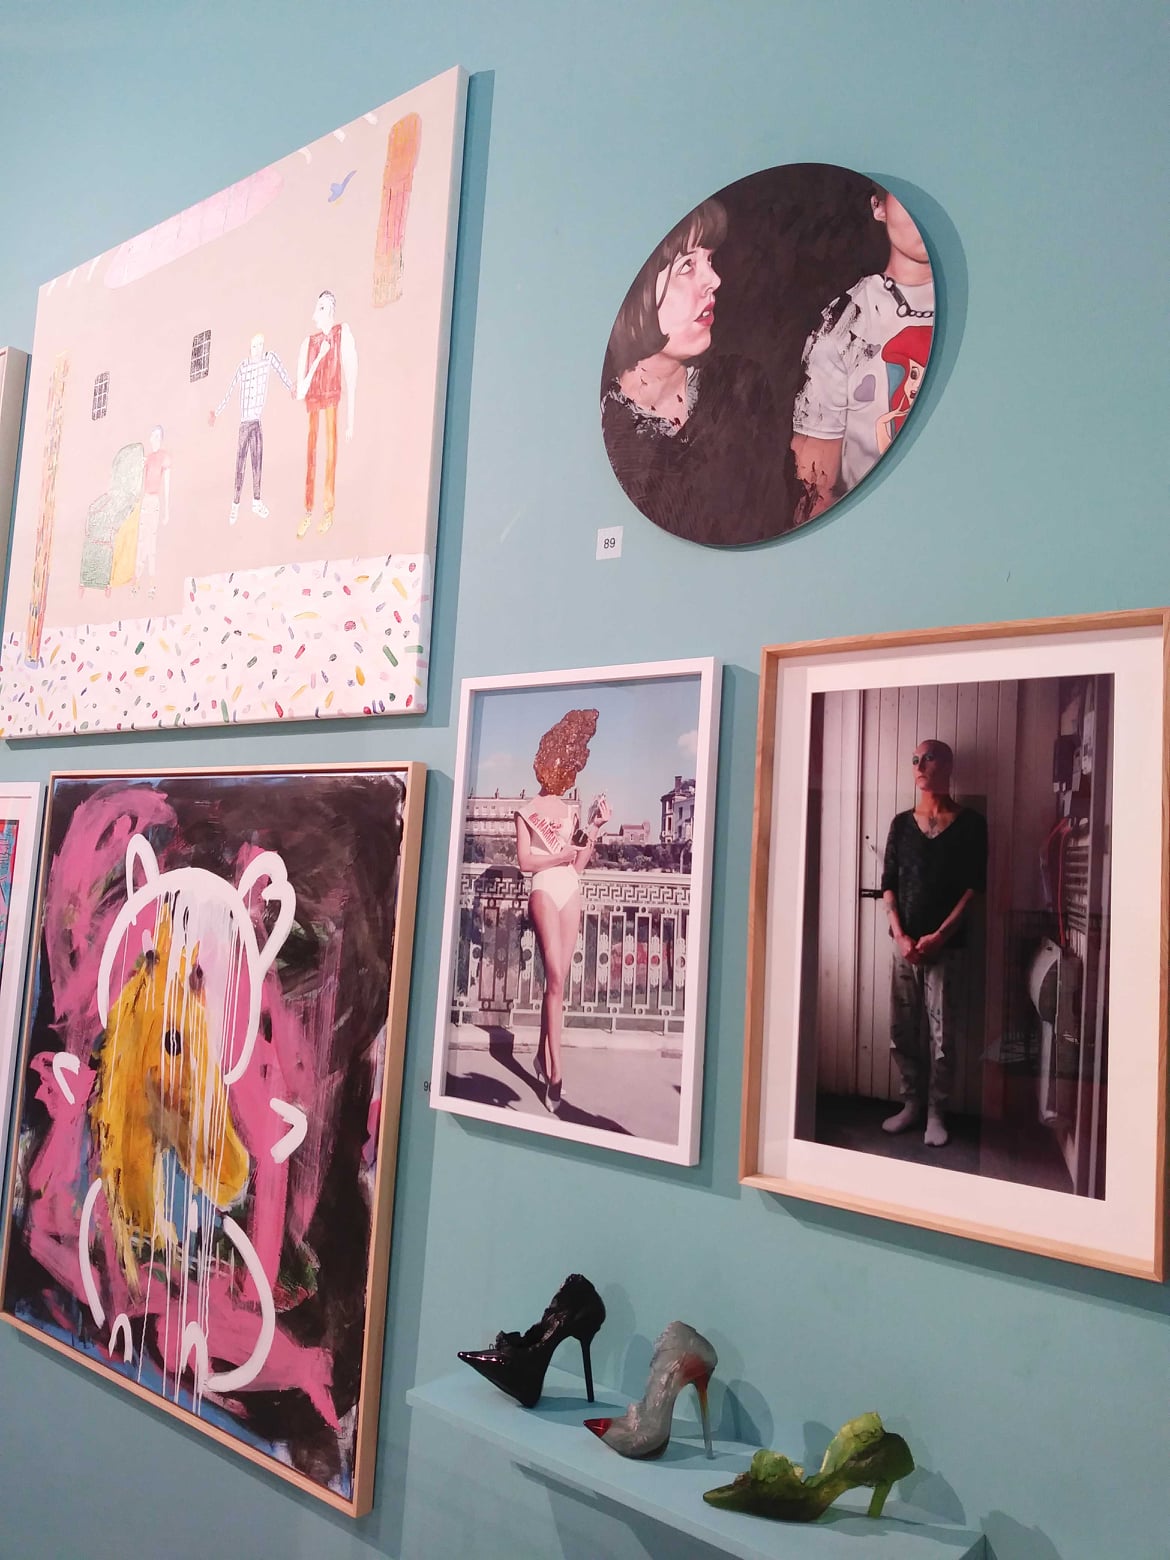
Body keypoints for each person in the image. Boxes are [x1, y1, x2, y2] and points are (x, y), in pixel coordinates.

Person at [600, 198, 784, 546]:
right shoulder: (607, 432)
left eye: (710, 259)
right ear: (636, 292)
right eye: (687, 266)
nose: (714, 279)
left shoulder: (743, 388)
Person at [791, 188, 934, 523]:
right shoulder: (844, 323)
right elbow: (814, 487)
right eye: (909, 200)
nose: (923, 216)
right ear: (878, 207)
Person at [880, 739, 987, 1147]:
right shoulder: (900, 824)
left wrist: (941, 936)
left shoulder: (971, 824)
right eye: (914, 759)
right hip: (904, 947)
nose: (919, 764)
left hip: (948, 948)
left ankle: (937, 1113)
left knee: (944, 1036)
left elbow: (975, 888)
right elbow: (888, 883)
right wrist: (901, 935)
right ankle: (911, 1104)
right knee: (901, 1029)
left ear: (947, 765)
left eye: (928, 757)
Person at [514, 710, 612, 1115]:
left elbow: (578, 865)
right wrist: (559, 855)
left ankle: (541, 1056)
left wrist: (596, 827)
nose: (561, 768)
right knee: (555, 978)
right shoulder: (526, 811)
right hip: (543, 890)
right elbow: (525, 862)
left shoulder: (571, 813)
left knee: (558, 984)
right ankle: (556, 1073)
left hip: (570, 889)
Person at [210, 332, 294, 524]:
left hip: (256, 422)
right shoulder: (243, 367)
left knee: (257, 463)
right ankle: (235, 505)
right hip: (244, 423)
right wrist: (217, 412)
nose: (258, 349)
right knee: (240, 466)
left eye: (261, 345)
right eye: (255, 346)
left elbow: (280, 369)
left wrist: (291, 386)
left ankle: (256, 502)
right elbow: (230, 390)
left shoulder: (268, 360)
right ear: (249, 348)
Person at [296, 290, 358, 539]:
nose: (316, 314)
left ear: (330, 309)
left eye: (321, 307)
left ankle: (328, 510)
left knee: (330, 451)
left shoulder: (342, 333)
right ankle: (308, 511)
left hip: (332, 398)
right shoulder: (308, 343)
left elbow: (351, 377)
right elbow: (300, 391)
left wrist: (351, 421)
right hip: (313, 401)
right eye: (317, 307)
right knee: (311, 453)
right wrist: (319, 356)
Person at [134, 425, 170, 597]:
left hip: (154, 501)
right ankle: (136, 583)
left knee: (151, 543)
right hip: (145, 501)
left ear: (160, 438)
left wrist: (166, 511)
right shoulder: (147, 458)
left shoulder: (164, 457)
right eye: (151, 436)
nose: (152, 439)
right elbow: (139, 481)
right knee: (141, 541)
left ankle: (152, 584)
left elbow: (167, 484)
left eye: (155, 436)